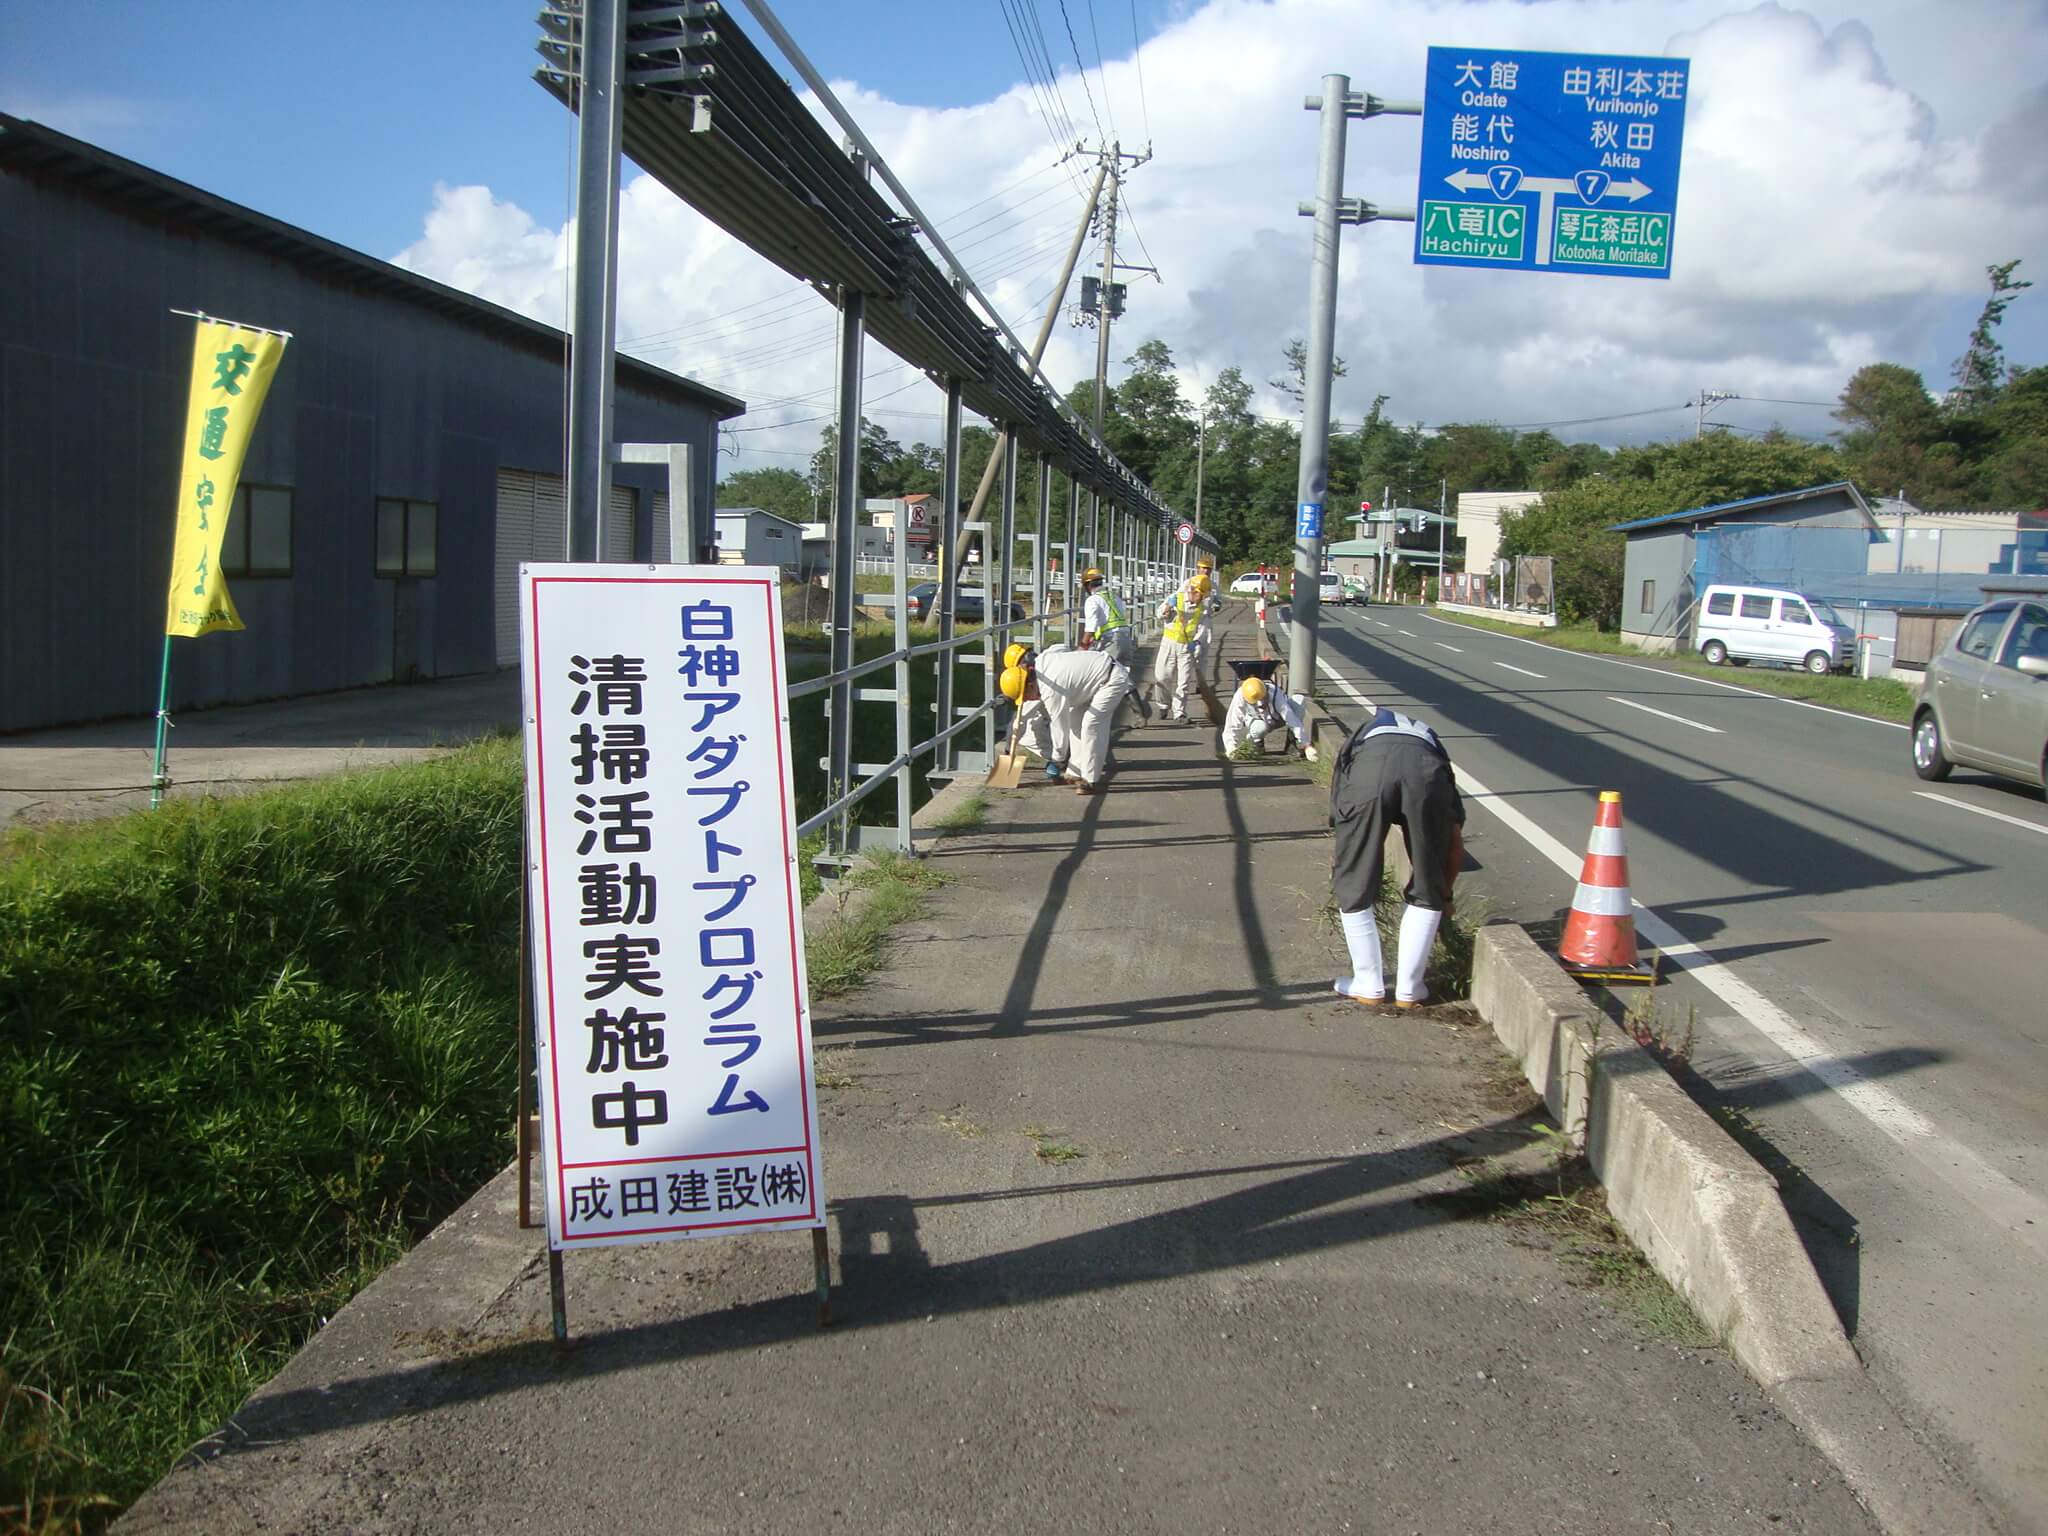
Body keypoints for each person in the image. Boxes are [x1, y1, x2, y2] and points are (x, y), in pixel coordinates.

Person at [1328, 704, 1465, 1008]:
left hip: (1370, 771)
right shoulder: (1433, 747)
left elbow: (1342, 826)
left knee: (1353, 879)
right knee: (1429, 879)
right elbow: (1454, 847)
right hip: (1426, 777)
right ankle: (1409, 988)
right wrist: (1443, 894)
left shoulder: (1358, 740)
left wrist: (1345, 864)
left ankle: (1368, 983)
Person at [1000, 645, 1129, 795]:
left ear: (1029, 684)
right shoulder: (1042, 663)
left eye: (1026, 696)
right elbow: (1062, 647)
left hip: (1111, 680)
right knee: (1075, 724)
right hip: (1095, 680)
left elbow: (1059, 726)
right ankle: (1075, 771)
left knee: (1091, 724)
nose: (1029, 699)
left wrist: (1057, 759)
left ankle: (1090, 780)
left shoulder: (1050, 689)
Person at [1153, 574, 1207, 724]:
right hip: (1168, 643)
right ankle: (1164, 705)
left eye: (1203, 595)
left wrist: (1196, 643)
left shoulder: (1202, 609)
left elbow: (1202, 628)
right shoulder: (1176, 598)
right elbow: (1159, 615)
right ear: (1192, 590)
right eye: (1199, 594)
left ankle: (1179, 713)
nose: (1201, 598)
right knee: (1162, 677)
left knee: (1183, 681)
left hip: (1186, 647)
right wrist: (1168, 607)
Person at [1220, 674, 1310, 757]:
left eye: (1262, 698)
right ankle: (1257, 743)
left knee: (1299, 699)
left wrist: (1306, 745)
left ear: (1266, 691)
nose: (1259, 703)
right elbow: (1232, 723)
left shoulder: (1274, 693)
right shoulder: (1240, 695)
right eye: (1255, 701)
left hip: (1278, 718)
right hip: (1257, 721)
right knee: (1260, 728)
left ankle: (1291, 743)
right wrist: (1231, 748)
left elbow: (1291, 718)